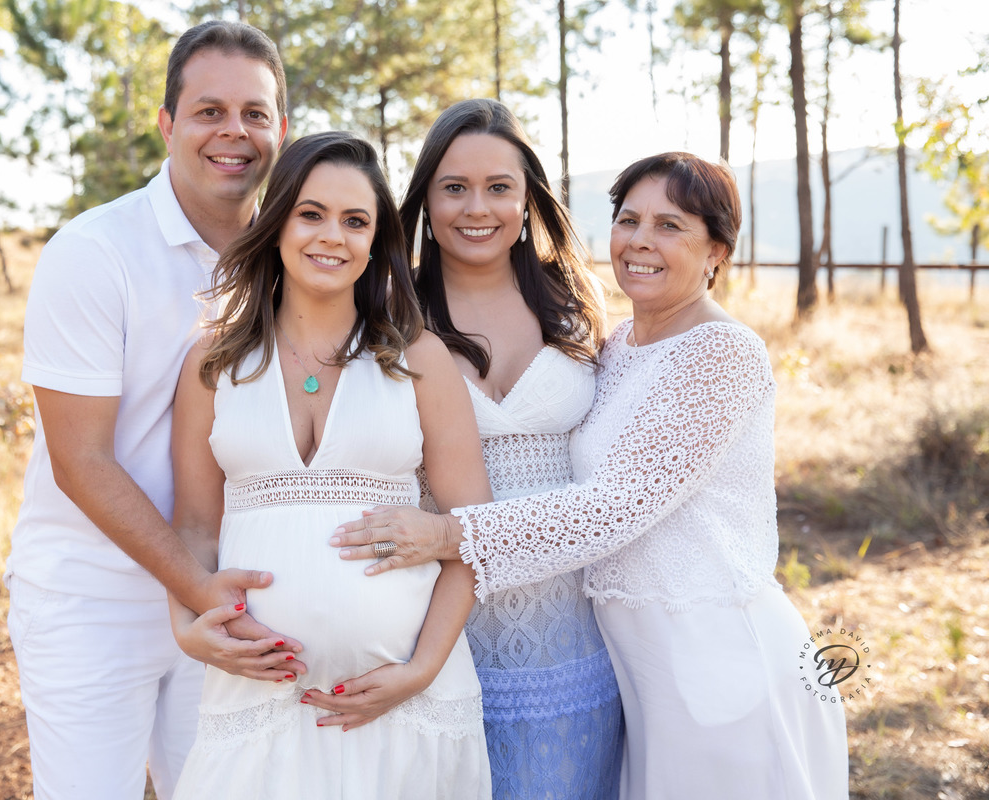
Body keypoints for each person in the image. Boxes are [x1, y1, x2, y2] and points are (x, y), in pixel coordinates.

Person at [332, 152, 850, 799]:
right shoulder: (619, 343)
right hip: (628, 659)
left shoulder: (723, 352)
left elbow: (613, 508)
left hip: (712, 652)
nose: (640, 241)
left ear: (717, 248)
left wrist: (446, 535)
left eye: (670, 226)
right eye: (629, 220)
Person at [6, 21, 304, 800]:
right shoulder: (94, 252)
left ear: (282, 129)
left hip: (230, 590)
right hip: (92, 597)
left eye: (254, 113)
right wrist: (197, 588)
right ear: (168, 124)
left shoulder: (292, 264)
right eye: (208, 111)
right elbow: (81, 462)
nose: (233, 132)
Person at [167, 131, 494, 799]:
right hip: (258, 703)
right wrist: (187, 630)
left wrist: (423, 668)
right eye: (311, 213)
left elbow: (473, 532)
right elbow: (195, 529)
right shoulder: (214, 363)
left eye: (355, 221)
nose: (332, 237)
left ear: (376, 242)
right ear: (277, 220)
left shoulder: (418, 358)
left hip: (406, 702)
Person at [404, 98, 624, 799]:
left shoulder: (576, 304)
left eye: (500, 187)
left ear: (528, 199)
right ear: (426, 200)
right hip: (436, 629)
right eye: (455, 186)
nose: (478, 207)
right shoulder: (389, 311)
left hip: (571, 635)